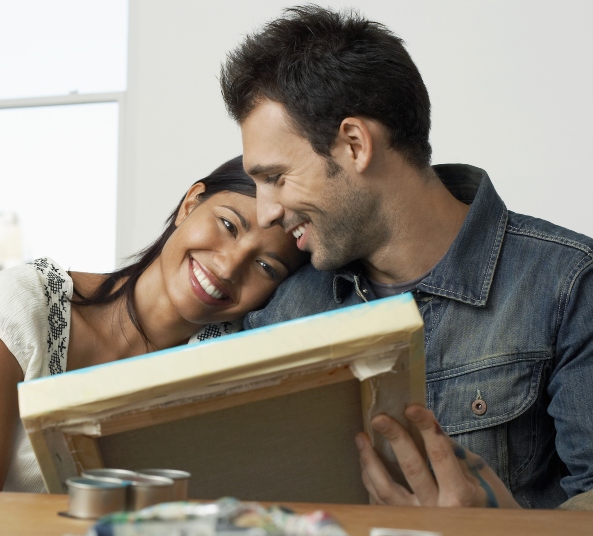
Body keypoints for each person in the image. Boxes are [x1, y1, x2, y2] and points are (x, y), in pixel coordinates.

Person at [219, 6, 593, 509]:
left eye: (276, 177)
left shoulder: (566, 284)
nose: (265, 212)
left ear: (354, 144)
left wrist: (504, 529)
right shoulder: (282, 309)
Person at [0, 157, 307, 491]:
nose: (230, 267)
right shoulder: (26, 304)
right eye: (228, 224)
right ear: (190, 204)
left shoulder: (221, 363)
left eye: (266, 267)